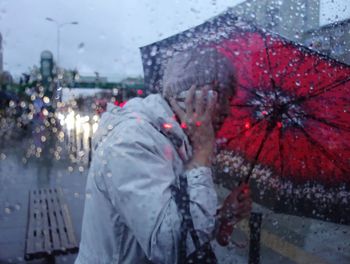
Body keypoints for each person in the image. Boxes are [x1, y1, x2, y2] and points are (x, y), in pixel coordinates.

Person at [75, 47, 252, 264]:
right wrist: (203, 153)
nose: (227, 109)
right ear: (190, 95)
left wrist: (222, 217)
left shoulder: (177, 138)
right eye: (220, 95)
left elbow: (179, 218)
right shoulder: (132, 141)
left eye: (229, 98)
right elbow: (169, 245)